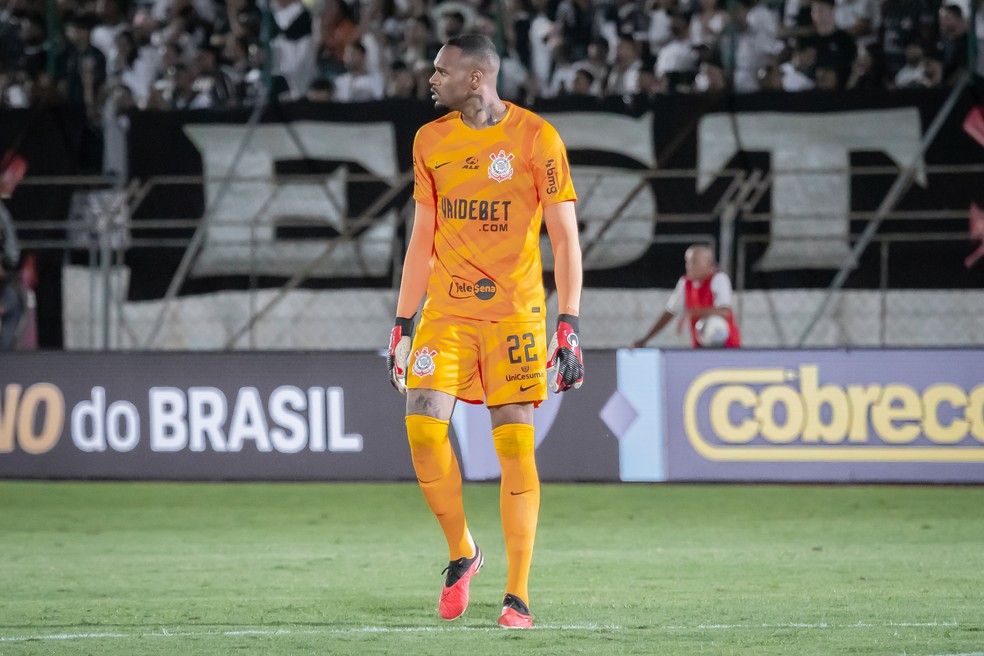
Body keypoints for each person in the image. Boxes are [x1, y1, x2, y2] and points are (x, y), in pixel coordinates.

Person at [385, 33, 584, 630]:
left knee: (515, 446)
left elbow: (566, 238)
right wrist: (402, 320)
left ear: (476, 78)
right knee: (422, 430)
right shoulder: (429, 141)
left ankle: (517, 594)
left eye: (442, 71)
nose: (431, 79)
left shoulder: (536, 138)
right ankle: (462, 552)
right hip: (445, 313)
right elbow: (421, 240)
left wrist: (568, 322)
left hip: (515, 315)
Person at [632, 244, 741, 349]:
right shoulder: (685, 282)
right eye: (687, 261)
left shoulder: (719, 279)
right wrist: (645, 339)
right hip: (701, 345)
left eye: (694, 261)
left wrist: (692, 312)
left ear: (708, 263)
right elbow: (669, 312)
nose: (689, 266)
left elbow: (725, 312)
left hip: (726, 346)